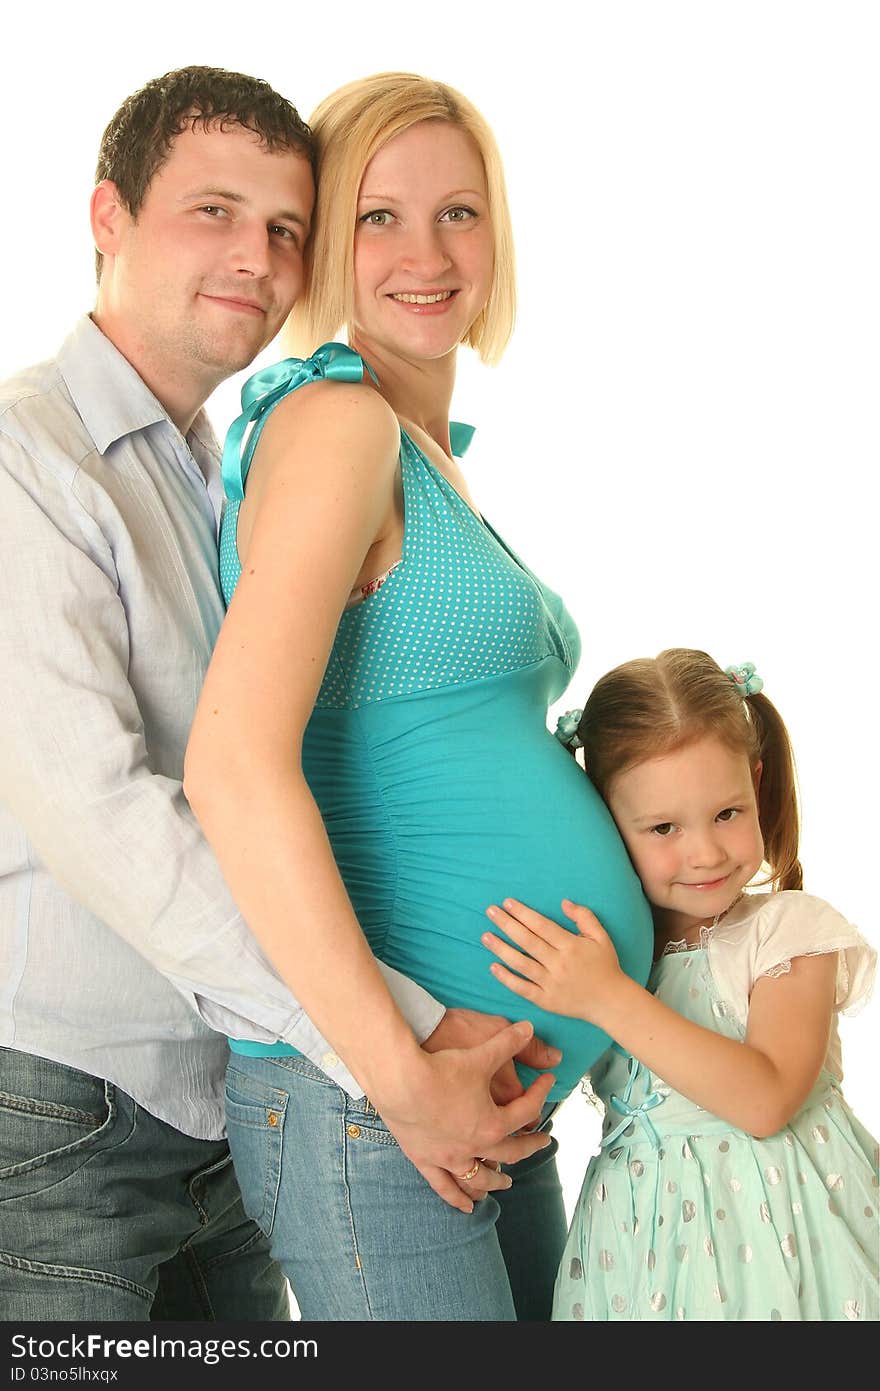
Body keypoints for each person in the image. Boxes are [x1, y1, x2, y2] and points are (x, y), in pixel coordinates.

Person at [0, 65, 557, 1323]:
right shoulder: (26, 464)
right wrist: (391, 1043)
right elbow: (121, 819)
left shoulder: (211, 457)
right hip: (58, 1116)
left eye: (285, 227)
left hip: (213, 1106)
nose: (256, 254)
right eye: (213, 211)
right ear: (108, 217)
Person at [184, 70, 655, 1322]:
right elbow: (231, 765)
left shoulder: (420, 442)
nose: (426, 252)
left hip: (476, 1093)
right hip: (375, 1101)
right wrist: (395, 1068)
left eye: (460, 211)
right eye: (377, 217)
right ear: (324, 241)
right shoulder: (339, 421)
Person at [483, 648, 879, 1321]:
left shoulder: (788, 934)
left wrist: (607, 995)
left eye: (727, 812)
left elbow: (766, 1098)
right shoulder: (612, 959)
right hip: (642, 1259)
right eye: (664, 827)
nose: (705, 851)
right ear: (604, 823)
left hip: (793, 1251)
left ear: (756, 782)